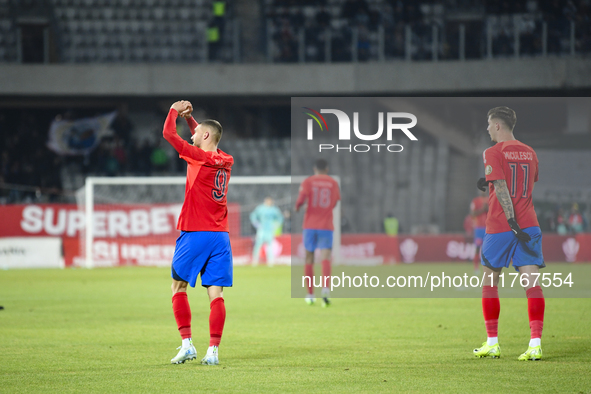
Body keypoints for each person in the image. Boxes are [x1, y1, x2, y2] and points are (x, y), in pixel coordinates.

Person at [163, 100, 234, 366]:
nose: (191, 135)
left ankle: (187, 344)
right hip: (220, 236)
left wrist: (173, 110)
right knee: (216, 294)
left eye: (196, 132)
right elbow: (205, 137)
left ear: (204, 136)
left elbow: (169, 135)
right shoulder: (226, 160)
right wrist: (191, 120)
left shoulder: (199, 157)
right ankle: (213, 351)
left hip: (195, 232)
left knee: (178, 286)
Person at [474, 106, 545, 361]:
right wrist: (489, 181)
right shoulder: (530, 151)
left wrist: (512, 222)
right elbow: (524, 183)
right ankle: (535, 343)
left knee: (490, 283)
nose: (487, 129)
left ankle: (492, 342)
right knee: (532, 285)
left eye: (488, 124)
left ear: (497, 126)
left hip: (502, 226)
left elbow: (504, 187)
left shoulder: (492, 152)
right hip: (531, 225)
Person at [295, 159, 340, 307]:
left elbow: (300, 200)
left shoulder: (308, 182)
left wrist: (297, 207)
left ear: (315, 169)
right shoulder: (333, 183)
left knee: (309, 258)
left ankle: (310, 294)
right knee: (326, 257)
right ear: (326, 169)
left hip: (310, 225)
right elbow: (335, 202)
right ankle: (326, 290)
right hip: (326, 225)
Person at [250, 197, 284, 267]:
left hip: (269, 230)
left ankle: (270, 261)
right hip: (261, 229)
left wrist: (275, 225)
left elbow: (280, 218)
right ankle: (255, 261)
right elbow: (253, 215)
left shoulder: (274, 209)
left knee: (270, 246)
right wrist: (256, 224)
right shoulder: (260, 208)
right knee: (258, 245)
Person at [470, 189, 488, 275]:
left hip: (489, 228)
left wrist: (487, 209)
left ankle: (488, 268)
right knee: (477, 248)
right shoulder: (475, 201)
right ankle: (476, 268)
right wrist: (482, 209)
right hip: (479, 228)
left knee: (488, 249)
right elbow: (473, 213)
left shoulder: (490, 200)